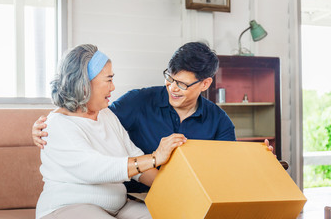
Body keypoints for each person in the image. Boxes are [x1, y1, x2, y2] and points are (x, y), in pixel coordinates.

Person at [33, 42, 272, 193]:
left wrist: (254, 160)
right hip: (136, 196)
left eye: (182, 83)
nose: (173, 88)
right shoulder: (137, 102)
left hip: (186, 194)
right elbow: (87, 117)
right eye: (169, 78)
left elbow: (227, 169)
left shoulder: (219, 122)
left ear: (205, 83)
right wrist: (47, 124)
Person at [35, 44, 186, 219]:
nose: (113, 87)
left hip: (118, 206)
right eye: (108, 80)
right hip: (68, 206)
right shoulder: (56, 125)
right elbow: (97, 168)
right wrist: (154, 158)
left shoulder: (106, 115)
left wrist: (181, 192)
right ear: (84, 83)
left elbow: (134, 159)